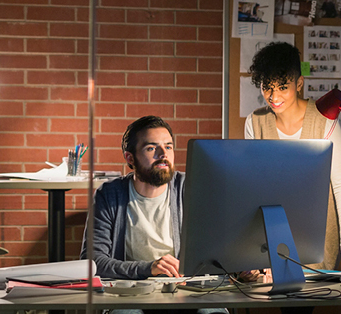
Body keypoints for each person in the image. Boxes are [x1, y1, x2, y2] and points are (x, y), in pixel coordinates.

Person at [80, 116, 232, 314]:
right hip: (131, 293)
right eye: (151, 148)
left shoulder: (191, 188)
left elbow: (220, 248)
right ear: (130, 158)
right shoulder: (109, 195)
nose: (163, 154)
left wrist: (243, 267)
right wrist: (148, 268)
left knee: (212, 312)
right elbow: (92, 261)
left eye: (168, 147)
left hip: (185, 290)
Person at [245, 42, 341, 274]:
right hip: (272, 231)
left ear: (299, 83)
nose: (274, 97)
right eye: (267, 88)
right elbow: (255, 185)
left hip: (318, 234)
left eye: (283, 87)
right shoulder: (255, 122)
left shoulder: (325, 120)